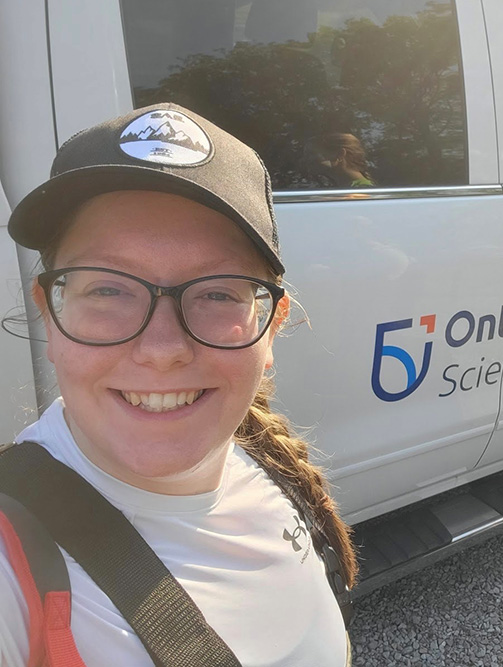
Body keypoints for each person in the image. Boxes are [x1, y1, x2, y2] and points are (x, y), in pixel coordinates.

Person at [0, 103, 356, 666]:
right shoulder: (14, 562)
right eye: (108, 290)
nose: (163, 349)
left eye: (217, 292)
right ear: (49, 312)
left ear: (272, 325)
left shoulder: (266, 465)